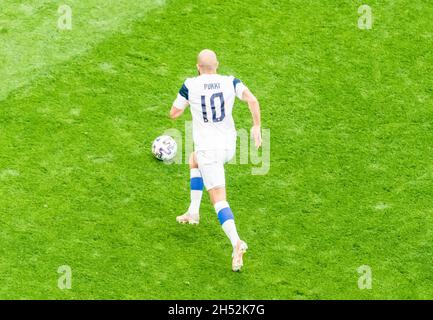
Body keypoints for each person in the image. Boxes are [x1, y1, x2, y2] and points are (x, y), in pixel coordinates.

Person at [169, 49, 262, 271]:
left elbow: (174, 113)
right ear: (217, 64)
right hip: (229, 146)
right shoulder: (230, 82)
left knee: (219, 200)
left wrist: (190, 104)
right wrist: (256, 126)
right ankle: (193, 212)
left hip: (209, 151)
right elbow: (252, 99)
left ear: (197, 67)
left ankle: (236, 243)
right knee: (193, 159)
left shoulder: (190, 85)